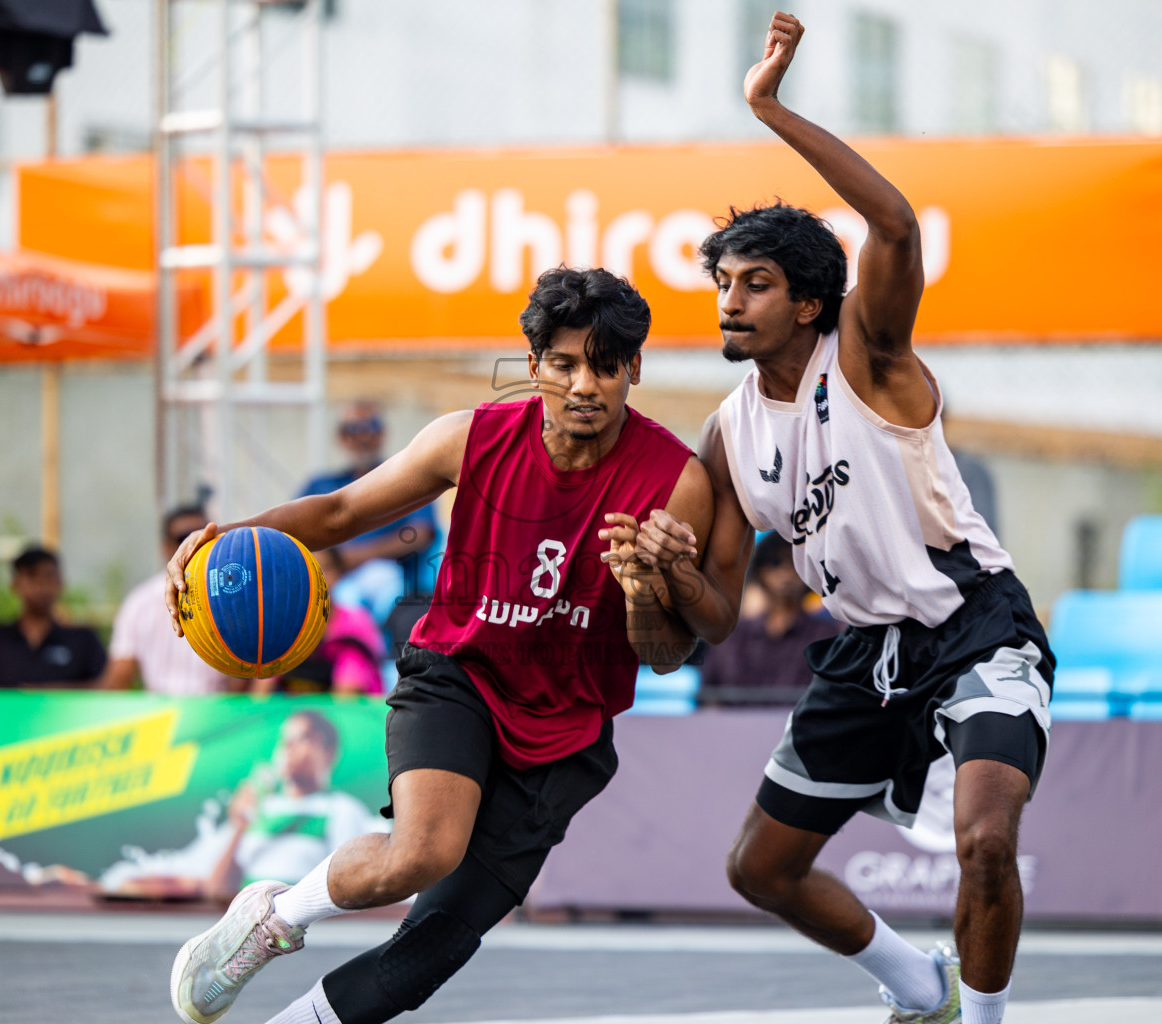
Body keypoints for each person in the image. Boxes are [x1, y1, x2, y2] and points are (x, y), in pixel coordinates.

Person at [618, 15, 1053, 1024]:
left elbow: (895, 225)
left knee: (987, 842)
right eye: (722, 283)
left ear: (812, 303)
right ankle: (917, 986)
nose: (730, 300)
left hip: (972, 621)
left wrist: (768, 110)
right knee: (760, 868)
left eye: (755, 284)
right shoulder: (727, 438)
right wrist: (659, 571)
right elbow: (709, 624)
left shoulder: (864, 354)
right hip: (865, 650)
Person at [162, 266, 710, 1024]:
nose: (585, 384)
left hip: (566, 730)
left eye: (606, 366)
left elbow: (667, 654)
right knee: (421, 851)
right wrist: (220, 542)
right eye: (564, 364)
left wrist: (648, 587)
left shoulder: (674, 480)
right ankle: (276, 919)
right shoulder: (471, 438)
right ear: (533, 367)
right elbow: (343, 509)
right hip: (461, 674)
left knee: (431, 952)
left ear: (634, 371)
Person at [98, 710, 388, 900]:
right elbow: (217, 889)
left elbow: (351, 890)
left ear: (328, 752)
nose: (288, 749)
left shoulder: (341, 810)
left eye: (302, 740)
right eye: (284, 741)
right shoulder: (260, 809)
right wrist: (239, 825)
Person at [299, 400, 440, 615]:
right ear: (341, 437)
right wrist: (332, 565)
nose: (363, 436)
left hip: (385, 577)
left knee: (381, 582)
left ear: (383, 433)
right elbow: (297, 535)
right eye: (353, 429)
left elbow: (421, 533)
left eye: (371, 426)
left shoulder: (408, 481)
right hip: (329, 575)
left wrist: (358, 556)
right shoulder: (320, 485)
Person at [102, 505, 243, 694]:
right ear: (166, 547)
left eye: (205, 536)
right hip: (161, 713)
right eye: (183, 538)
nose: (194, 543)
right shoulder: (139, 602)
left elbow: (242, 673)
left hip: (218, 710)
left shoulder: (231, 592)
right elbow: (119, 677)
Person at [699, 532, 840, 707]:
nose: (786, 573)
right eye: (775, 562)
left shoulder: (826, 635)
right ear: (760, 570)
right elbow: (710, 699)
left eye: (795, 563)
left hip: (800, 731)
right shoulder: (732, 636)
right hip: (733, 732)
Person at [0, 546, 107, 689]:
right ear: (15, 584)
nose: (41, 586)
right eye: (32, 577)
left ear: (60, 582)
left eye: (48, 577)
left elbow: (107, 685)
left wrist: (49, 694)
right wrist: (1, 699)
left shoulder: (83, 641)